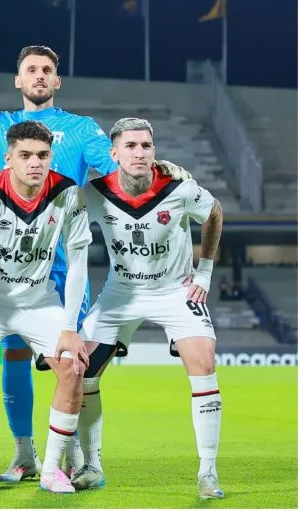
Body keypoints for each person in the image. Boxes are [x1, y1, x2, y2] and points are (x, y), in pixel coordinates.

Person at [0, 44, 191, 481]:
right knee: (15, 358)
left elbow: (120, 171)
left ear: (57, 81)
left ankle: (83, 459)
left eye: (47, 70)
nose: (40, 76)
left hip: (63, 264)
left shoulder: (82, 130)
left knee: (79, 363)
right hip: (9, 267)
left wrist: (157, 169)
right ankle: (25, 454)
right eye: (31, 70)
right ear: (18, 80)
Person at [74, 118, 225, 499]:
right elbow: (61, 223)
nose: (139, 153)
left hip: (175, 290)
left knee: (203, 359)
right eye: (130, 146)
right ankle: (91, 466)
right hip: (119, 293)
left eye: (145, 146)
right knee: (82, 371)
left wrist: (203, 273)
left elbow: (215, 213)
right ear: (114, 154)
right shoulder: (93, 193)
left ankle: (208, 472)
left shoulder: (179, 188)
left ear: (154, 151)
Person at [0, 120, 91, 494]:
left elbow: (79, 261)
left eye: (43, 156)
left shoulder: (68, 193)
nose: (35, 163)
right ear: (7, 158)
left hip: (38, 299)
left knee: (72, 368)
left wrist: (69, 327)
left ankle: (51, 469)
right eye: (25, 155)